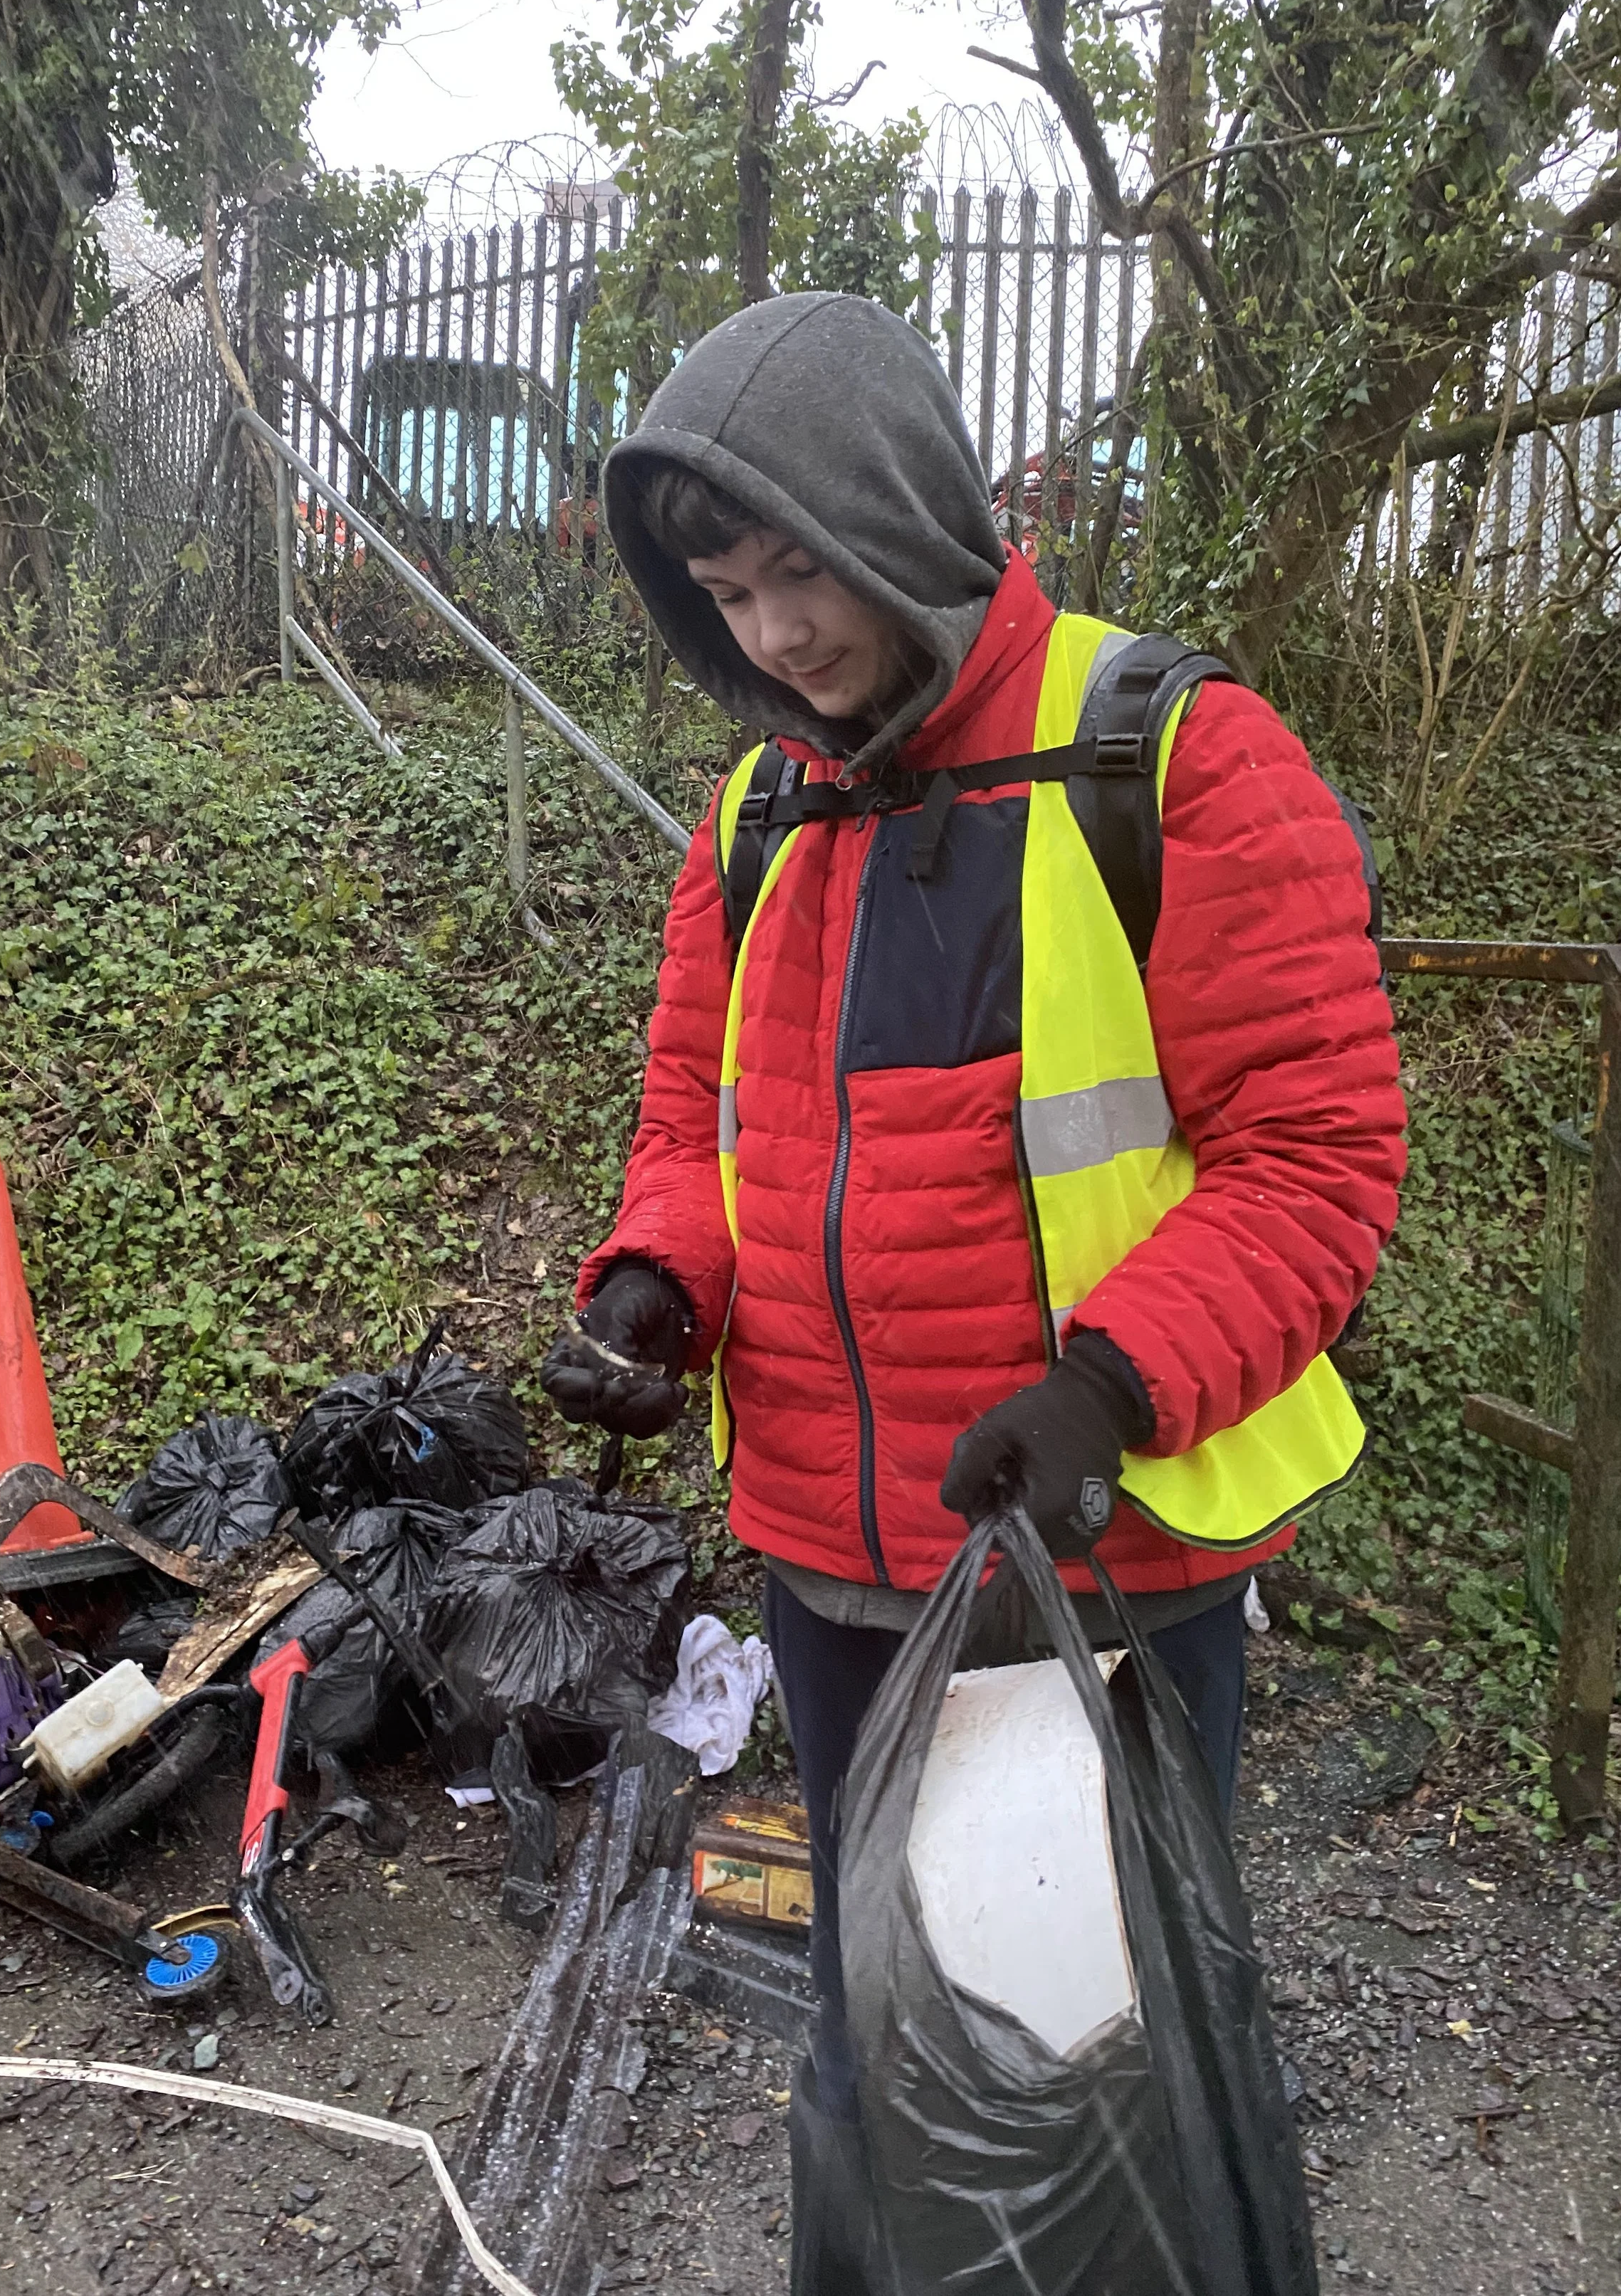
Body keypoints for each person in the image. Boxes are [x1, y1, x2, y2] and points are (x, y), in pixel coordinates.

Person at [539, 290, 1405, 2268]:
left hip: (1091, 1558)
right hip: (831, 1561)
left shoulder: (1166, 758)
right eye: (723, 591)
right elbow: (697, 1112)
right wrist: (656, 1281)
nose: (771, 636)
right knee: (877, 2031)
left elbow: (1318, 1152)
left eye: (796, 572)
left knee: (1098, 2065)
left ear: (901, 513)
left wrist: (1108, 1388)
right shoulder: (761, 811)